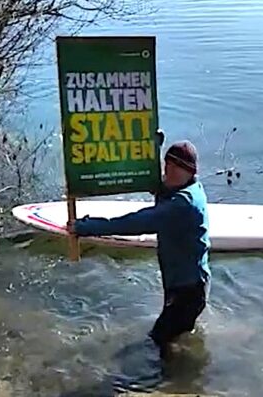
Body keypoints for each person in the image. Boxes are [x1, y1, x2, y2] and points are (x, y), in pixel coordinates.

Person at [74, 140, 211, 357]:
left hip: (188, 291)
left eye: (175, 167)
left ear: (190, 171)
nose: (168, 171)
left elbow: (137, 223)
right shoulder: (184, 188)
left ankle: (169, 384)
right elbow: (163, 190)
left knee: (157, 342)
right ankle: (181, 376)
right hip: (183, 284)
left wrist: (89, 227)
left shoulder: (184, 203)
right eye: (166, 164)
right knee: (175, 338)